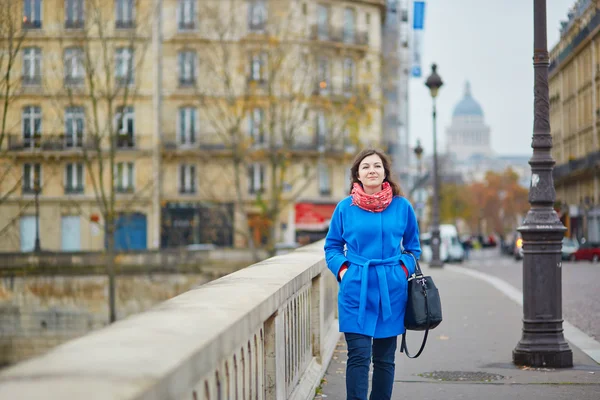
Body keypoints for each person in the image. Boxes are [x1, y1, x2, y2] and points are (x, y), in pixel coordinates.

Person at [324, 148, 421, 400]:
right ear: (357, 174)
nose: (372, 170)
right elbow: (332, 247)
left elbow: (413, 248)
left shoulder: (402, 207)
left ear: (385, 173)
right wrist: (344, 271)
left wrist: (401, 270)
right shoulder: (344, 208)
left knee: (384, 359)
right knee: (358, 356)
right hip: (357, 288)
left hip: (392, 290)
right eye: (366, 166)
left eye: (377, 166)